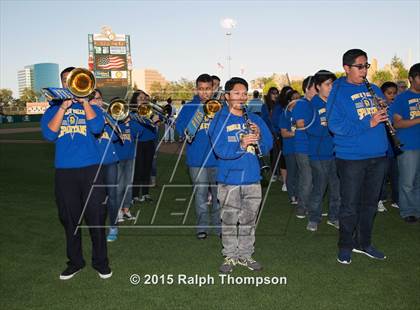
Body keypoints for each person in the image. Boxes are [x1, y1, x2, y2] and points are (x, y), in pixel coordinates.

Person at [40, 67, 111, 280]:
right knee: (70, 219)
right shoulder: (53, 109)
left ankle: (101, 262)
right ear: (62, 84)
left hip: (91, 169)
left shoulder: (92, 106)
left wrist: (85, 102)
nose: (69, 84)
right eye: (65, 81)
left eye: (73, 80)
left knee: (96, 217)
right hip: (65, 171)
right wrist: (63, 108)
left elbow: (97, 127)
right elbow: (49, 135)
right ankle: (75, 262)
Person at [327, 49, 388, 264]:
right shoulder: (338, 90)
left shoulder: (374, 89)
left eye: (366, 66)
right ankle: (345, 245)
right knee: (350, 206)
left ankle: (365, 242)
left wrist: (382, 109)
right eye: (360, 66)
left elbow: (380, 113)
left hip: (378, 155)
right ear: (346, 68)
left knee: (370, 204)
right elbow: (335, 125)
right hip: (352, 157)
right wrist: (368, 122)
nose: (364, 71)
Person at [208, 77, 273, 273]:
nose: (242, 97)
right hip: (229, 180)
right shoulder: (219, 119)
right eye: (237, 93)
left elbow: (268, 146)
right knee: (228, 220)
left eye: (244, 93)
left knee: (249, 220)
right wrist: (242, 144)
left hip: (252, 178)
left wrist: (259, 137)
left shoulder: (256, 119)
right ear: (227, 96)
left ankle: (245, 255)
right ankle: (230, 256)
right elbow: (220, 150)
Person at [175, 73, 220, 240]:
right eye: (201, 89)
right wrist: (199, 114)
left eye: (207, 89)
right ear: (196, 89)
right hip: (196, 160)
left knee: (218, 195)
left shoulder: (220, 106)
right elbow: (180, 131)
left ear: (213, 89)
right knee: (200, 195)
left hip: (217, 158)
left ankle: (218, 225)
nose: (204, 93)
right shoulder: (188, 107)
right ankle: (202, 227)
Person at [305, 70, 340, 232]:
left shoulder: (336, 102)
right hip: (318, 153)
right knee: (320, 187)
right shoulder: (311, 105)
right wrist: (331, 127)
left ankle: (334, 217)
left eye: (332, 84)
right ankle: (314, 218)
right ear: (318, 87)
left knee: (337, 187)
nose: (331, 87)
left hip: (337, 152)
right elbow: (310, 129)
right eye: (327, 84)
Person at [390, 63, 420, 223]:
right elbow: (397, 124)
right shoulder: (401, 98)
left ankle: (417, 209)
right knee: (408, 182)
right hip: (408, 145)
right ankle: (408, 211)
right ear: (411, 79)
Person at [90, 89, 120, 242]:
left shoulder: (106, 116)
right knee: (97, 198)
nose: (98, 102)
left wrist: (108, 121)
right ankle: (98, 227)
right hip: (93, 164)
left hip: (110, 162)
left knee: (113, 196)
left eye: (99, 98)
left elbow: (116, 137)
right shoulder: (87, 118)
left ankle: (114, 226)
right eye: (94, 99)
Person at [291, 76, 317, 219]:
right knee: (307, 178)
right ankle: (302, 208)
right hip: (303, 147)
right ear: (307, 89)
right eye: (315, 87)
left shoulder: (316, 103)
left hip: (314, 147)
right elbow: (299, 124)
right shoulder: (301, 103)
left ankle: (311, 206)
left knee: (313, 179)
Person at [130, 91, 158, 203]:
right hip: (138, 143)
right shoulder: (132, 113)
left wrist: (155, 121)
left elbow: (154, 127)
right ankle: (135, 195)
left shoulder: (149, 111)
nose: (143, 100)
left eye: (144, 98)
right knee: (138, 170)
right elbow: (135, 129)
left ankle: (146, 193)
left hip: (149, 142)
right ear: (135, 101)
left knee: (147, 169)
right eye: (140, 98)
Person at [378, 81, 399, 211]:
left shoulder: (395, 108)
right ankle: (379, 199)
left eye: (394, 93)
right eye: (389, 93)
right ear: (382, 94)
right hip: (383, 149)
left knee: (396, 175)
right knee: (382, 177)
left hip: (394, 149)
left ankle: (396, 199)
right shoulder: (381, 109)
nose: (393, 96)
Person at [278, 90, 299, 205]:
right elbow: (284, 133)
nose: (297, 100)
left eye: (298, 97)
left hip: (302, 148)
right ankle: (292, 196)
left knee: (301, 173)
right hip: (290, 148)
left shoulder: (301, 113)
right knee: (291, 172)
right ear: (289, 101)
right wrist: (297, 133)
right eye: (294, 98)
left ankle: (300, 195)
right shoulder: (285, 114)